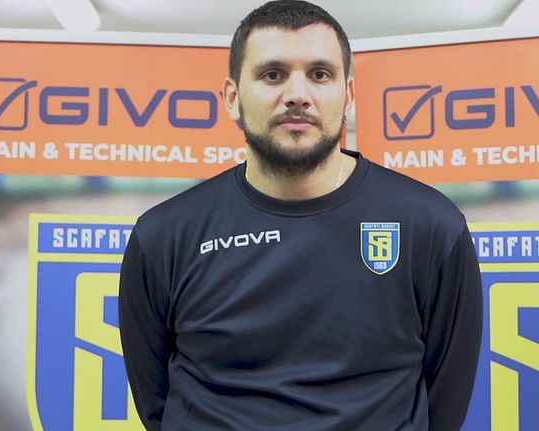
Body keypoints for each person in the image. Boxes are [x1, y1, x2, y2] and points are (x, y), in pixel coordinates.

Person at [118, 1, 483, 430]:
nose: (297, 94)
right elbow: (156, 404)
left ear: (348, 96)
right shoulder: (163, 236)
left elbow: (445, 404)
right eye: (272, 75)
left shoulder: (431, 226)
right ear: (233, 98)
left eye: (320, 74)